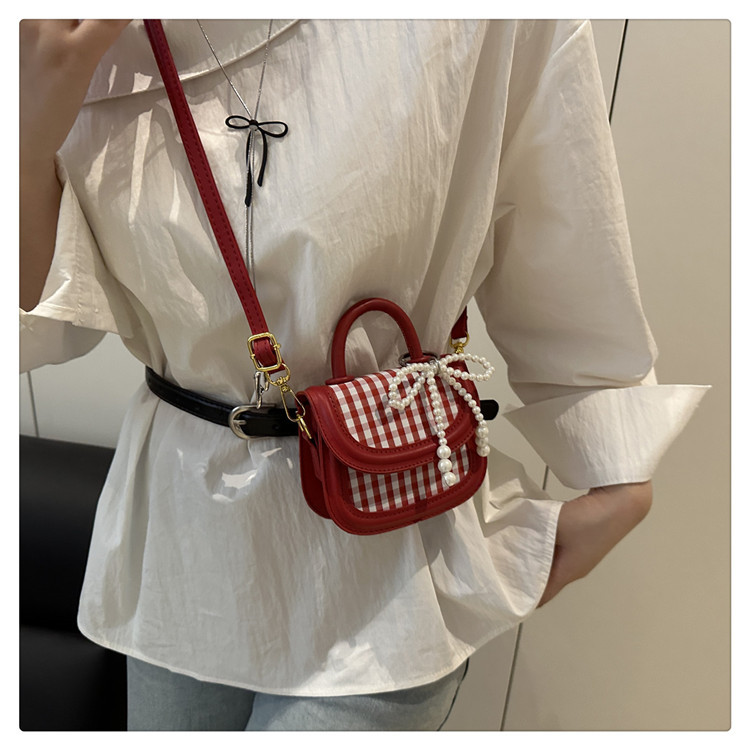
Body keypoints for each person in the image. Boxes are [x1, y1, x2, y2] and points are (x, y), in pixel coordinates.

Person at [19, 19, 707, 731]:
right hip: (181, 546)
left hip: (386, 557)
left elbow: (561, 216)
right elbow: (46, 328)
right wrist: (24, 141)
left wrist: (614, 459)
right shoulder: (65, 37)